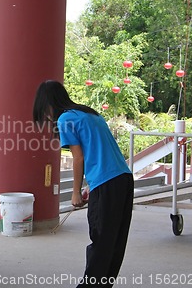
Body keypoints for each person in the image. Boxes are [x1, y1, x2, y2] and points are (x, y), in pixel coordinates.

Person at [33, 80, 134, 288]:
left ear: (48, 104)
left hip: (108, 184)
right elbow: (102, 150)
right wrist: (92, 184)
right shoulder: (90, 113)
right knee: (115, 242)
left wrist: (75, 192)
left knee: (101, 242)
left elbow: (78, 158)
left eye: (44, 110)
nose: (46, 116)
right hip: (123, 178)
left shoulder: (65, 119)